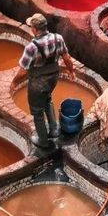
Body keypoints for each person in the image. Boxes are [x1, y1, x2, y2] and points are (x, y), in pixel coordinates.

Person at [11, 13, 76, 149]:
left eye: (31, 27)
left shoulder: (31, 48)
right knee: (47, 99)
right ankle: (54, 130)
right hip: (52, 78)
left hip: (38, 82)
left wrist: (14, 83)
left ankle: (43, 140)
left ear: (35, 29)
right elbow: (66, 58)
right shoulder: (58, 38)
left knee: (36, 111)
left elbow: (23, 71)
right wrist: (71, 71)